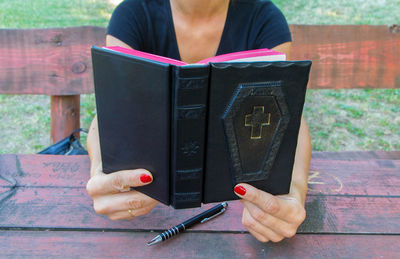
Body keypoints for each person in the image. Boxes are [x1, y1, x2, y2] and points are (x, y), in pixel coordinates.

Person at [86, 0, 311, 243]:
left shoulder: (265, 19)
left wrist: (296, 190)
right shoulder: (131, 15)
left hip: (235, 213)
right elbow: (111, 112)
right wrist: (100, 170)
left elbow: (288, 118)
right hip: (152, 209)